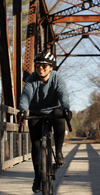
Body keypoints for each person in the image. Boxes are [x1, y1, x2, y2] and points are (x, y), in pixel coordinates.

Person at [18, 51, 72, 193]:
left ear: (51, 67)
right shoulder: (32, 78)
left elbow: (63, 93)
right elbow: (26, 94)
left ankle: (59, 152)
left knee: (60, 116)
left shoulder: (57, 78)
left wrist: (66, 108)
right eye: (37, 66)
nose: (40, 69)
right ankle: (37, 177)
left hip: (54, 108)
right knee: (36, 144)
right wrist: (23, 109)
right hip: (36, 111)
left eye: (44, 66)